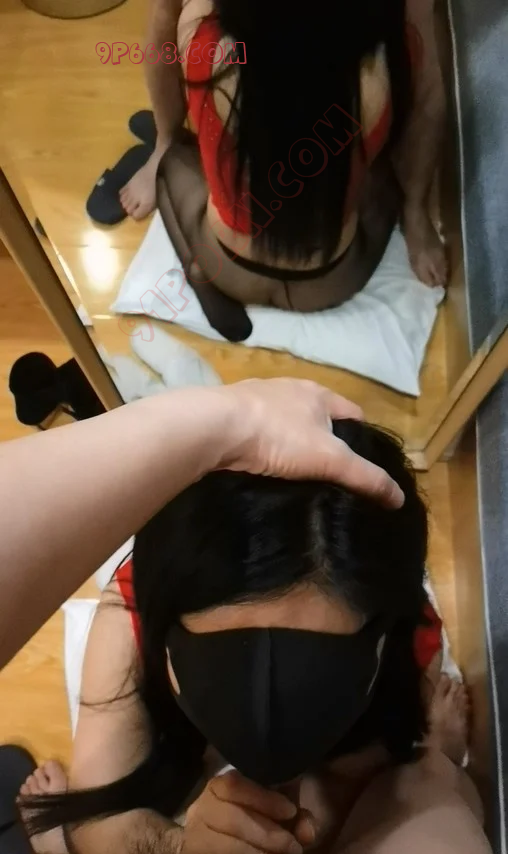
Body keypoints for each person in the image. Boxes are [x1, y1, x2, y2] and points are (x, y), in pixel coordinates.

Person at [0, 379, 491, 854]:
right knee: (429, 780)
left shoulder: (408, 635)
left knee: (416, 777)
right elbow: (97, 822)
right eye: (219, 673)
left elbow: (98, 824)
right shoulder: (131, 607)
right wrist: (180, 845)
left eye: (314, 681)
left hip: (370, 747)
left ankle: (434, 759)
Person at [119, 0, 447, 342]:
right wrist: (416, 208)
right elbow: (430, 100)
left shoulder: (200, 39)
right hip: (332, 278)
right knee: (382, 177)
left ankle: (196, 263)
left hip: (228, 266)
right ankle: (414, 214)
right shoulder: (396, 54)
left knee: (173, 161)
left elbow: (163, 33)